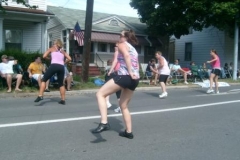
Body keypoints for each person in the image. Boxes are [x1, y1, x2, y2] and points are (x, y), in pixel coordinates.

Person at [92, 30, 139, 139]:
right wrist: (133, 73)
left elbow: (127, 56)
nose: (119, 37)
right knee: (124, 106)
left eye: (120, 35)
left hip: (125, 76)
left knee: (100, 94)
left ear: (125, 37)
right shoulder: (133, 48)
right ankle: (128, 132)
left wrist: (130, 72)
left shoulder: (122, 44)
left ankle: (104, 123)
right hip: (135, 79)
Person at [34, 39, 72, 104]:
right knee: (61, 84)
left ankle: (40, 96)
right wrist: (64, 62)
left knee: (44, 80)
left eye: (54, 43)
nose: (53, 44)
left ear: (55, 43)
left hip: (54, 66)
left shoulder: (51, 49)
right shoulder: (62, 51)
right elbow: (70, 59)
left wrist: (49, 59)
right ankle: (63, 100)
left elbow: (44, 56)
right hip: (61, 67)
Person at [106, 43, 122, 113]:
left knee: (107, 86)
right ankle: (121, 107)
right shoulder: (123, 53)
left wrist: (110, 71)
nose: (114, 47)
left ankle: (107, 102)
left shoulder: (117, 52)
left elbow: (115, 62)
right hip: (121, 73)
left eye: (116, 46)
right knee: (118, 91)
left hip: (116, 72)